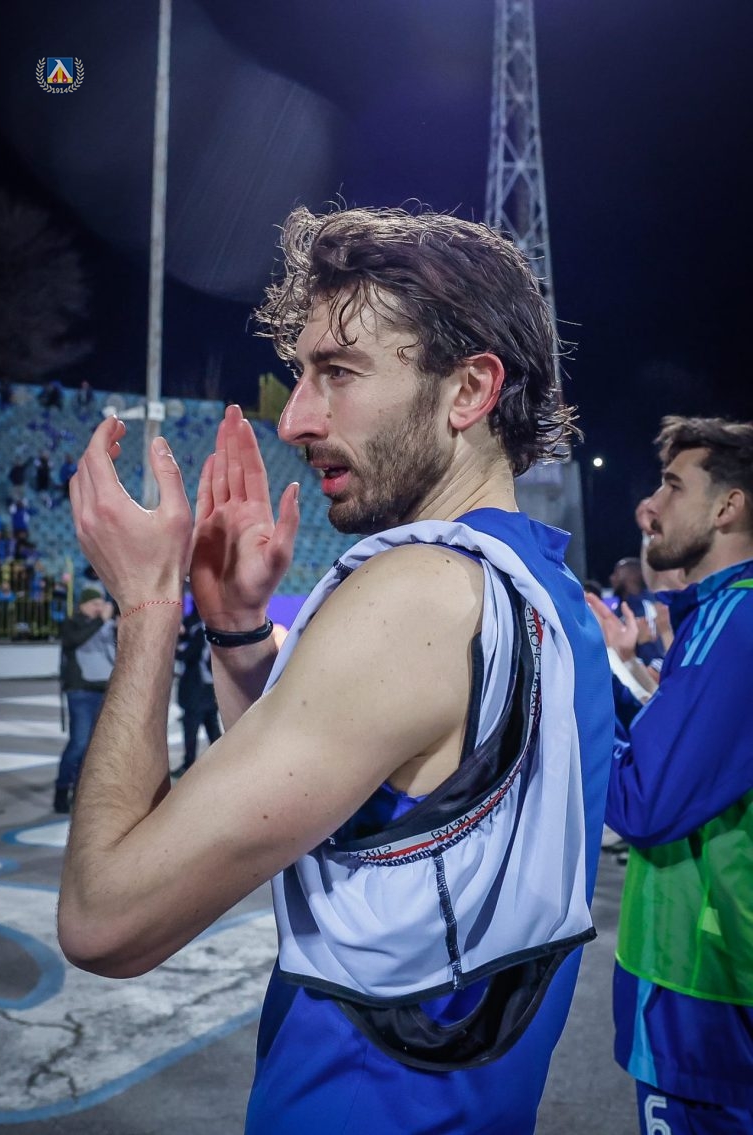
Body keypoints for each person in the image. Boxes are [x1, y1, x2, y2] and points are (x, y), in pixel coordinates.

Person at [57, 206, 613, 1134]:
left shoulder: (415, 594)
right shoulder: (549, 594)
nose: (297, 418)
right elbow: (337, 807)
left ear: (470, 388)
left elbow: (103, 921)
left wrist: (148, 607)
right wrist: (237, 630)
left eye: (339, 372)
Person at [602, 416, 753, 1133]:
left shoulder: (737, 616)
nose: (648, 506)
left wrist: (566, 697)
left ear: (728, 507)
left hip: (700, 980)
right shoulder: (717, 616)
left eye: (671, 485)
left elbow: (645, 800)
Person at [54, 587, 117, 814]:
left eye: (101, 604)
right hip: (80, 690)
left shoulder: (107, 625)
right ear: (82, 605)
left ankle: (81, 792)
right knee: (79, 743)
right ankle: (62, 789)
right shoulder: (72, 623)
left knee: (94, 747)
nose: (99, 608)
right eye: (94, 604)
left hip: (103, 690)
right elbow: (75, 640)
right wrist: (101, 622)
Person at [174, 608, 222, 777]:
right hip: (210, 687)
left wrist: (174, 646)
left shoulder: (200, 631)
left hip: (197, 689)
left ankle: (189, 765)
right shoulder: (214, 630)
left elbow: (188, 655)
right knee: (212, 727)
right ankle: (223, 761)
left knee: (191, 728)